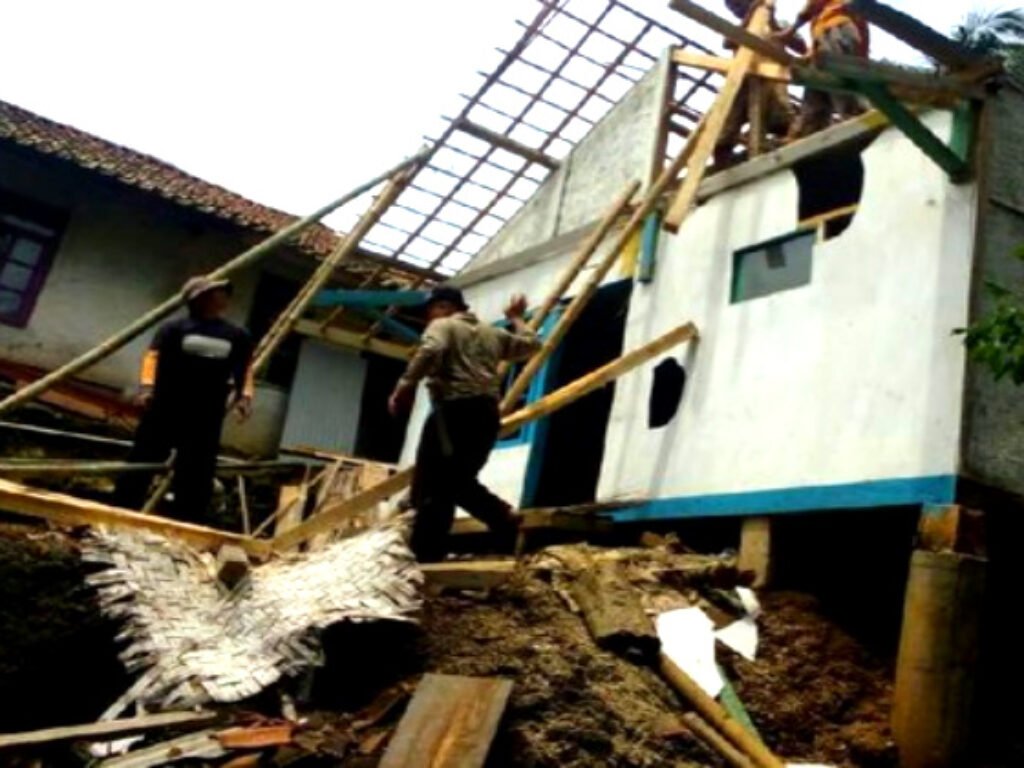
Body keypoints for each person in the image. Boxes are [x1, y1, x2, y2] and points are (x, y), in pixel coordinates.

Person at [388, 285, 541, 562]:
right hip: (486, 415)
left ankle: (427, 555)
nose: (428, 319)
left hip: (452, 412)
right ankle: (502, 519)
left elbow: (432, 348)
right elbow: (532, 345)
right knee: (454, 480)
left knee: (431, 484)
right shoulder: (493, 333)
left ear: (444, 307)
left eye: (430, 311)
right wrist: (517, 319)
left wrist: (405, 386)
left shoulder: (443, 325)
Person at [115, 276, 254, 522]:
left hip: (206, 413)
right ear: (202, 298)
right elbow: (153, 358)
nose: (225, 295)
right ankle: (120, 510)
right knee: (143, 457)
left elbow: (244, 369)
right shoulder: (174, 328)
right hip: (166, 405)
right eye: (219, 291)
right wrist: (147, 388)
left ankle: (187, 520)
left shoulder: (237, 335)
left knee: (197, 470)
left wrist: (244, 397)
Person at [715, 0, 805, 166]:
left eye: (739, 4)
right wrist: (751, 15)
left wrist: (773, 23)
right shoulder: (739, 27)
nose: (737, 10)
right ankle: (723, 160)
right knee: (726, 127)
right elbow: (727, 42)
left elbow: (801, 47)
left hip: (773, 79)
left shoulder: (779, 24)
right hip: (742, 80)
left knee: (780, 119)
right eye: (733, 8)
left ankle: (771, 148)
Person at [775, 0, 871, 140]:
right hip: (831, 37)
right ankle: (805, 134)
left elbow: (811, 7)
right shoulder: (821, 20)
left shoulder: (832, 14)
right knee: (815, 99)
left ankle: (860, 119)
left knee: (842, 85)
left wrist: (789, 31)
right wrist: (809, 55)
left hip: (835, 30)